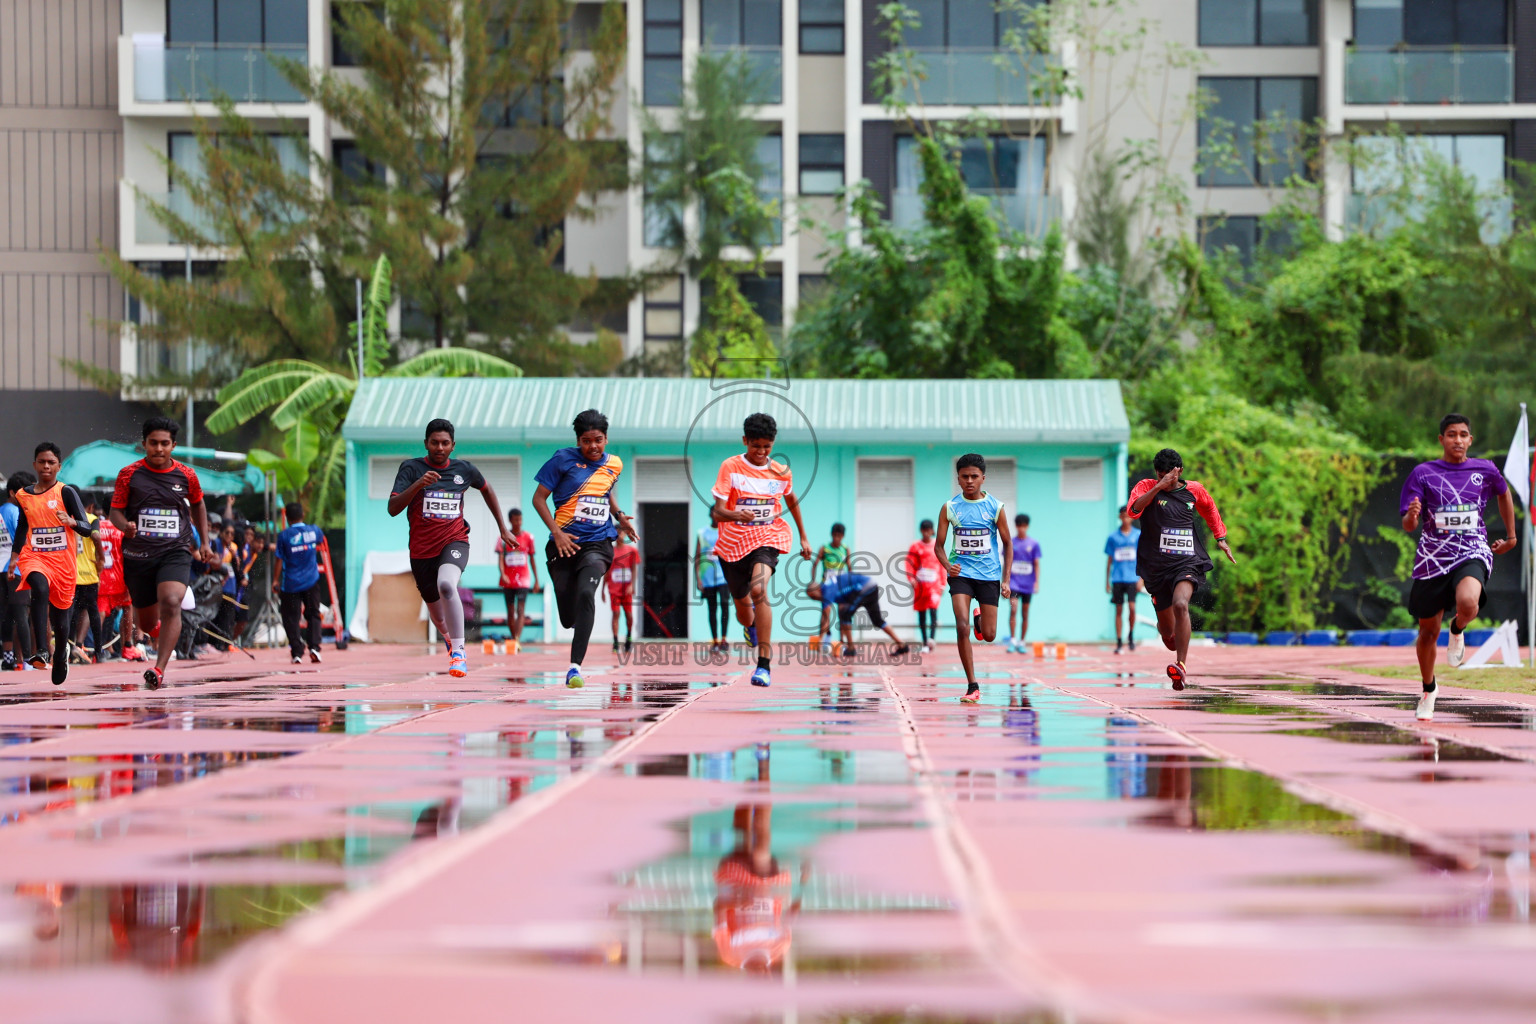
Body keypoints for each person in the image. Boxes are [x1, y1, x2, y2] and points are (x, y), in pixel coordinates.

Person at [1400, 414, 1518, 721]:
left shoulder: (1485, 469)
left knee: (1469, 602)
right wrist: (1413, 516)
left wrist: (1511, 536)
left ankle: (1458, 627)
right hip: (1433, 557)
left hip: (1472, 549)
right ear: (1441, 440)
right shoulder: (1423, 473)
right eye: (1451, 434)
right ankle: (1429, 688)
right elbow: (1408, 523)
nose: (1458, 439)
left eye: (1463, 434)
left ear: (1470, 439)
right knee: (1427, 632)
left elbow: (1504, 494)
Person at [388, 418, 516, 679]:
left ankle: (459, 653)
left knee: (447, 585)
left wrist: (503, 528)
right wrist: (418, 485)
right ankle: (449, 639)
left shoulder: (464, 470)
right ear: (426, 443)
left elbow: (487, 489)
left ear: (453, 445)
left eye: (445, 443)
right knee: (437, 615)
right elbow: (393, 509)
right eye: (434, 442)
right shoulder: (411, 469)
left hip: (454, 541)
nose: (439, 448)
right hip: (422, 551)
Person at [532, 409, 637, 689]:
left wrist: (619, 515)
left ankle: (574, 667)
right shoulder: (562, 460)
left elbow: (606, 491)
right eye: (587, 441)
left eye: (599, 440)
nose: (593, 446)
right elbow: (538, 499)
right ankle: (577, 623)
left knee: (586, 592)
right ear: (578, 440)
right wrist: (557, 534)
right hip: (563, 546)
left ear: (606, 439)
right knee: (568, 618)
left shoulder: (614, 464)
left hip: (599, 543)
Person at [711, 413, 813, 688]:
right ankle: (750, 627)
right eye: (756, 446)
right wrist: (735, 514)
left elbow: (792, 501)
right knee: (745, 612)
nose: (761, 452)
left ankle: (764, 666)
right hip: (732, 545)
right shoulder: (730, 467)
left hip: (768, 537)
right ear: (745, 441)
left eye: (767, 446)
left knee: (759, 590)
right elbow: (718, 513)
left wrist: (804, 537)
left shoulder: (781, 471)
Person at [110, 418, 214, 689]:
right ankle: (162, 633)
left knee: (170, 601)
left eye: (164, 443)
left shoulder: (187, 475)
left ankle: (159, 668)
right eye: (153, 443)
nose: (158, 448)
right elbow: (115, 512)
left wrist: (204, 543)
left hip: (175, 550)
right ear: (144, 444)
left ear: (173, 445)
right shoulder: (128, 474)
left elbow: (199, 506)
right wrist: (125, 527)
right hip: (139, 556)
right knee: (146, 621)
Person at [1127, 448, 1236, 690]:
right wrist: (1158, 487)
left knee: (1181, 604)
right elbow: (1133, 511)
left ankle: (1181, 666)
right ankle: (1167, 632)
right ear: (1157, 473)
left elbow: (1209, 508)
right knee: (1169, 637)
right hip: (1156, 567)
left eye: (1172, 476)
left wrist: (1220, 537)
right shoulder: (1146, 486)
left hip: (1186, 562)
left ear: (1180, 471)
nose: (1167, 480)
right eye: (1162, 476)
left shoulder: (1194, 490)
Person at [12, 443, 95, 685]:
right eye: (42, 462)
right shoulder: (23, 495)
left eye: (51, 462)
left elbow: (87, 528)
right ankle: (42, 651)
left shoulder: (66, 492)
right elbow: (22, 527)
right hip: (34, 556)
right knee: (39, 588)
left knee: (61, 621)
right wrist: (15, 557)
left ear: (59, 466)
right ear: (34, 464)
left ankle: (60, 654)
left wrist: (71, 521)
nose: (46, 466)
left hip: (63, 563)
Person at [933, 454, 1012, 703]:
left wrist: (1006, 580)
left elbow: (1008, 544)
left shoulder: (995, 507)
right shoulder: (950, 508)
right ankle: (972, 685)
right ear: (957, 479)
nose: (969, 481)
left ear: (983, 478)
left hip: (988, 575)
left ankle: (980, 620)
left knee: (989, 635)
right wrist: (947, 566)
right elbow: (938, 546)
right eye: (964, 477)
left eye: (974, 477)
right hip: (961, 574)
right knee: (960, 626)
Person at [806, 573, 912, 658]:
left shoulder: (827, 591)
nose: (813, 599)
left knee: (846, 614)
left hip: (864, 587)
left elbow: (825, 618)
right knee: (877, 620)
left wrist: (819, 639)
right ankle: (902, 645)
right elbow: (840, 609)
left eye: (812, 596)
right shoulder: (830, 588)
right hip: (871, 586)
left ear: (817, 589)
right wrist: (841, 639)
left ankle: (851, 649)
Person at [274, 502, 324, 665]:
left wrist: (275, 580)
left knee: (290, 618)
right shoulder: (314, 530)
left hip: (291, 584)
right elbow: (320, 539)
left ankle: (297, 652)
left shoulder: (284, 536)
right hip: (311, 580)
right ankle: (315, 647)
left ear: (287, 517)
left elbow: (279, 559)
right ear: (303, 514)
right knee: (313, 614)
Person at [0, 472, 32, 671]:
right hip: (16, 569)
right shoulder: (15, 512)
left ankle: (8, 658)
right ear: (12, 492)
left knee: (5, 615)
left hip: (0, 570)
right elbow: (25, 541)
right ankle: (28, 659)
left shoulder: (1, 511)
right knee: (21, 614)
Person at [494, 508, 538, 653]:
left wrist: (537, 579)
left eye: (520, 519)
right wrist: (503, 573)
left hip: (523, 579)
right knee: (510, 612)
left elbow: (532, 559)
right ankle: (514, 639)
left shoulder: (529, 537)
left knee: (521, 610)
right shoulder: (502, 538)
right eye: (515, 520)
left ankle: (517, 639)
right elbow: (500, 559)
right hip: (508, 579)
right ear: (510, 520)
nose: (518, 522)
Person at [70, 494, 105, 665]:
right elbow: (97, 537)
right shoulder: (92, 519)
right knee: (92, 612)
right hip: (89, 573)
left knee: (71, 611)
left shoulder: (71, 519)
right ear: (90, 507)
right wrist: (101, 558)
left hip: (71, 573)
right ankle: (98, 650)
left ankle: (70, 648)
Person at [1104, 504, 1142, 654]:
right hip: (1118, 578)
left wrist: (1141, 579)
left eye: (1128, 516)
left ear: (1132, 518)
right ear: (1119, 517)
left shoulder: (1138, 535)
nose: (1126, 519)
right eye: (1123, 516)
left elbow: (1142, 557)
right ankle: (1119, 641)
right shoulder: (1113, 537)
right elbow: (1109, 560)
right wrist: (1107, 581)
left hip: (1132, 577)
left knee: (1132, 608)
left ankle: (1131, 635)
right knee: (1118, 609)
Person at [904, 519, 944, 653]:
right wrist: (911, 578)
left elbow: (942, 565)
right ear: (921, 531)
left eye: (929, 530)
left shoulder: (937, 545)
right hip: (920, 586)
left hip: (934, 585)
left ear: (932, 531)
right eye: (924, 530)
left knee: (933, 610)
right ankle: (925, 641)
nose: (927, 533)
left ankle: (932, 639)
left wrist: (943, 584)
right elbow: (909, 563)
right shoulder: (915, 546)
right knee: (922, 614)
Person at [95, 510, 129, 661]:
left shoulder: (96, 526)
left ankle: (96, 650)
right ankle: (127, 646)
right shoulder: (122, 529)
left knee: (100, 613)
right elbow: (127, 555)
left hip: (100, 576)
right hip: (119, 578)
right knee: (128, 608)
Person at [811, 524, 850, 652]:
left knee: (842, 613)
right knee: (826, 613)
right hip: (827, 585)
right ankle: (822, 639)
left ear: (843, 536)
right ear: (831, 535)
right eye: (835, 535)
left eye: (839, 536)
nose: (837, 538)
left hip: (841, 586)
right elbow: (815, 564)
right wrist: (813, 582)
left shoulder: (845, 549)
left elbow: (849, 567)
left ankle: (841, 641)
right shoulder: (825, 549)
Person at [1007, 514, 1041, 653]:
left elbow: (1037, 564)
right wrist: (1006, 580)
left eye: (1024, 526)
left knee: (1025, 613)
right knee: (1013, 609)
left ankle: (1022, 641)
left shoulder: (1033, 544)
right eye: (1019, 525)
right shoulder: (1011, 542)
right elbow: (1007, 562)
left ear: (1027, 526)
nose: (1021, 528)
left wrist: (1037, 582)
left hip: (1028, 584)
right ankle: (1012, 640)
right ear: (1016, 526)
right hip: (1014, 583)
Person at [696, 517, 730, 653]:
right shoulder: (702, 532)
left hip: (724, 577)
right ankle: (715, 640)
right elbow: (697, 556)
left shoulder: (726, 531)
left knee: (725, 605)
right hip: (707, 577)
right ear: (711, 515)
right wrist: (698, 578)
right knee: (712, 608)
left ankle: (724, 639)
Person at [604, 537, 640, 654]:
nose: (619, 536)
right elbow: (607, 570)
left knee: (629, 615)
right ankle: (615, 642)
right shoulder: (610, 551)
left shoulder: (631, 551)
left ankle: (629, 637)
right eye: (617, 533)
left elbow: (635, 569)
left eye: (621, 533)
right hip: (614, 589)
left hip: (626, 590)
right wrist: (602, 589)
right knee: (616, 613)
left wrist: (632, 585)